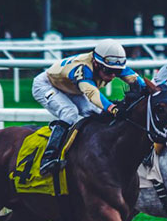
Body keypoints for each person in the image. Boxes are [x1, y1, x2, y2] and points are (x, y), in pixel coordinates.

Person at [32, 38, 146, 175]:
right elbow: (92, 93)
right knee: (69, 113)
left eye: (116, 72)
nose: (113, 76)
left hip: (72, 88)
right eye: (109, 71)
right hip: (46, 85)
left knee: (95, 113)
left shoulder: (110, 64)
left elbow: (136, 80)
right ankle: (48, 158)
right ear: (97, 64)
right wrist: (112, 108)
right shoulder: (83, 68)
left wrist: (156, 90)